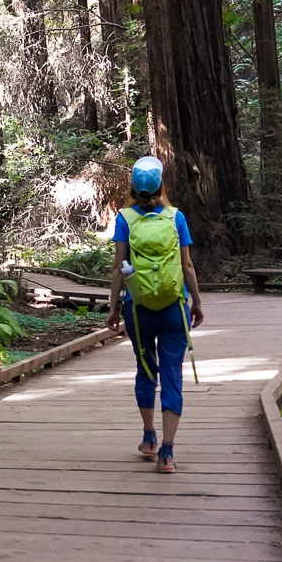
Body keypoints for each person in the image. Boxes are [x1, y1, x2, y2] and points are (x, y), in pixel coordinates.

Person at [110, 155, 203, 473]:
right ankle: (167, 452)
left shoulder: (125, 218)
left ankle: (149, 437)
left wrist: (112, 308)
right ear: (162, 185)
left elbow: (119, 268)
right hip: (175, 306)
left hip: (139, 310)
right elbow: (187, 265)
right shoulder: (176, 217)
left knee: (146, 368)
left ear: (133, 188)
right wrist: (197, 302)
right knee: (173, 375)